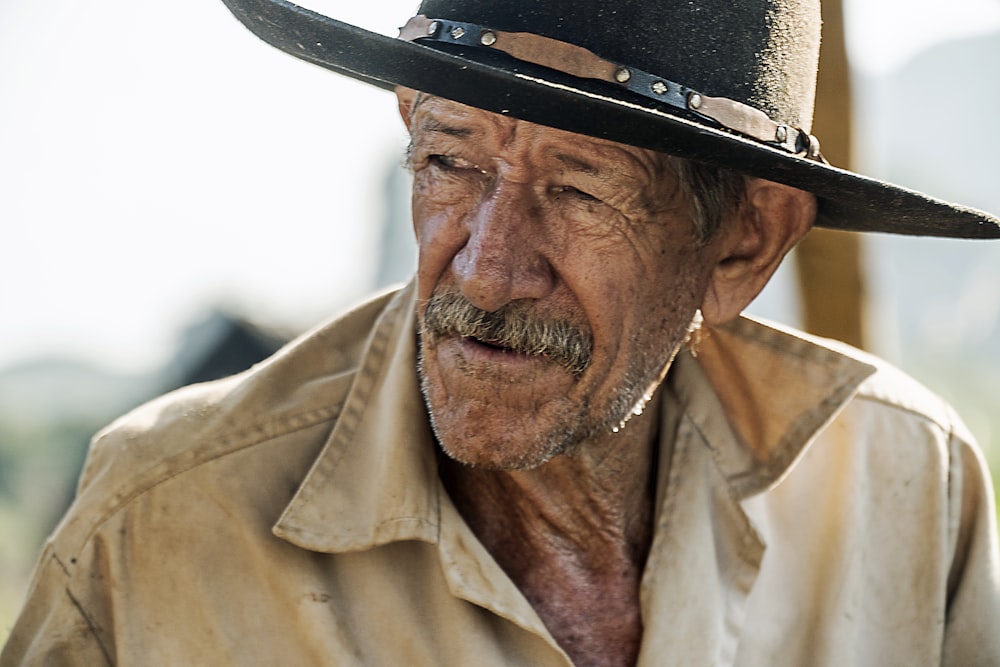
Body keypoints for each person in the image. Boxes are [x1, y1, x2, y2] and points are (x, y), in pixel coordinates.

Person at [4, 0, 1000, 665]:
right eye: (450, 162)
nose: (485, 266)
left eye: (578, 189)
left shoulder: (905, 488)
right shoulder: (157, 532)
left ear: (743, 244)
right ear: (409, 126)